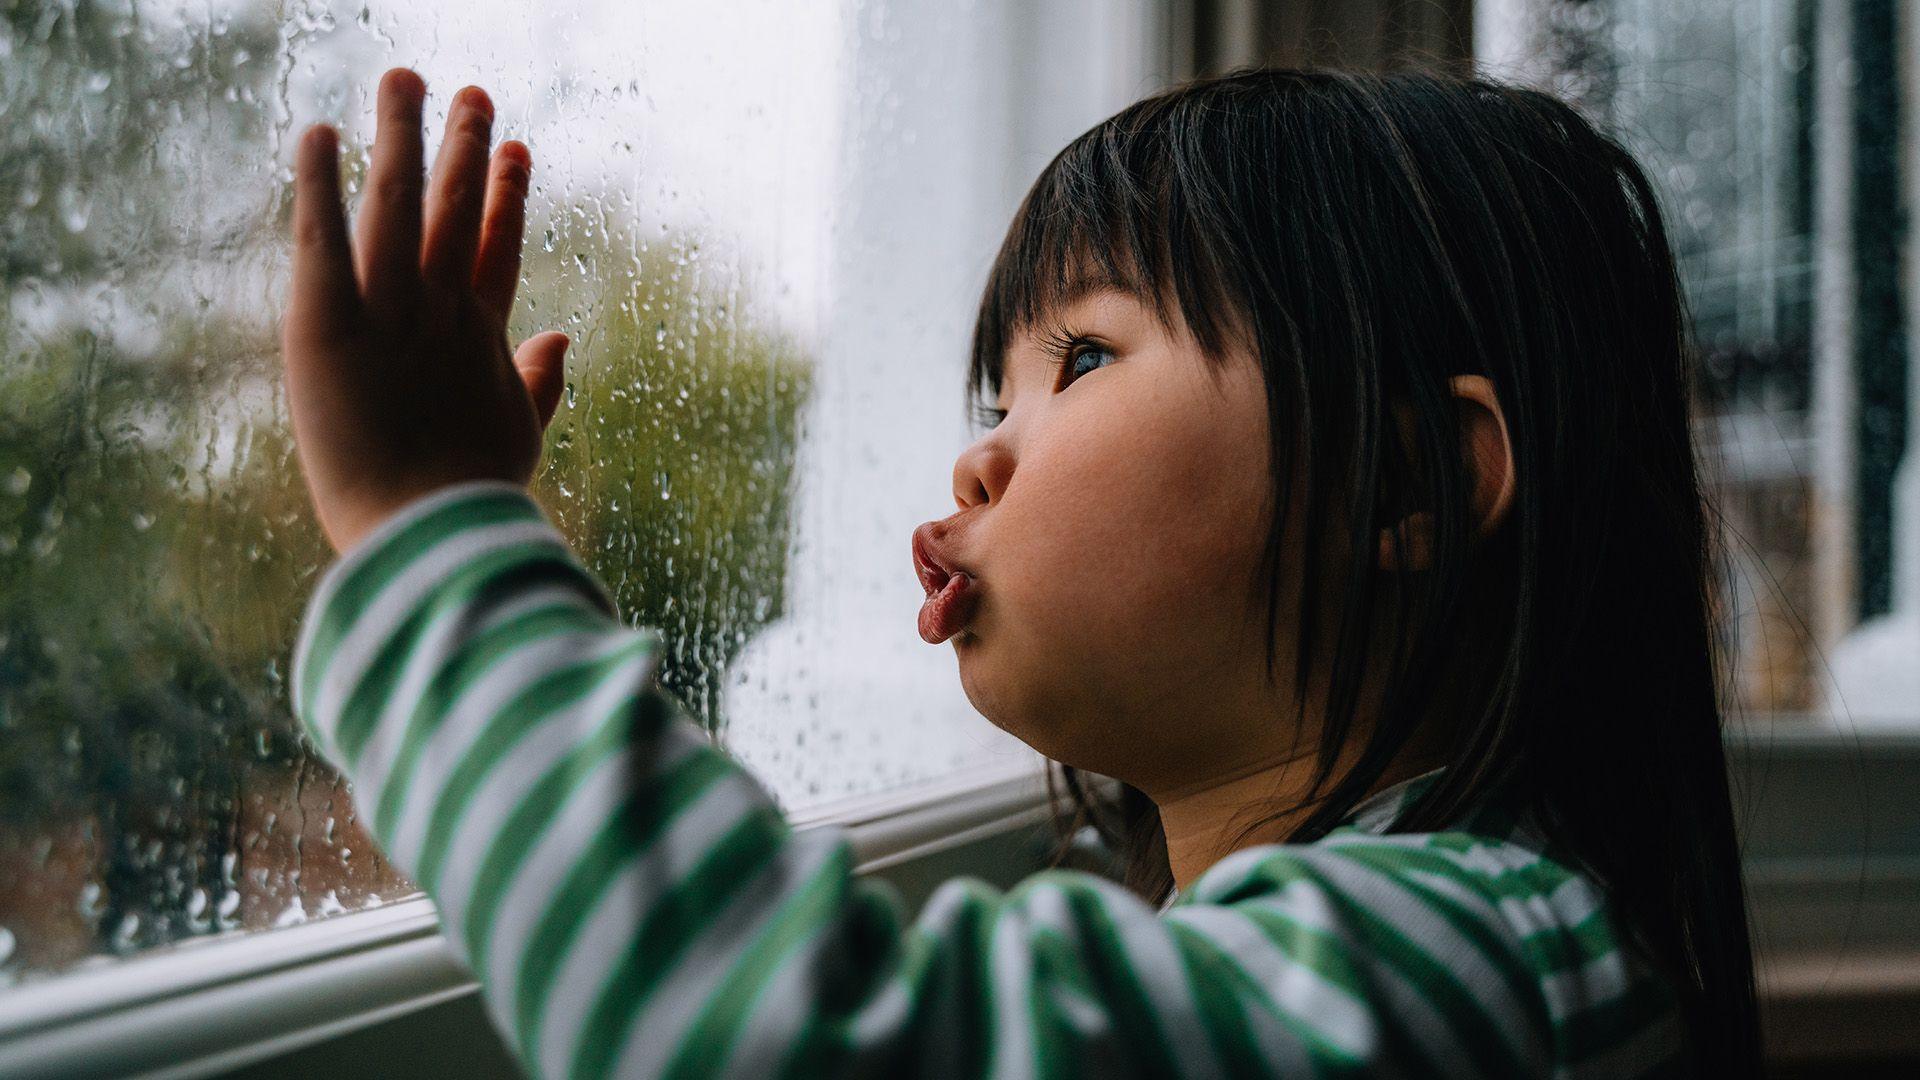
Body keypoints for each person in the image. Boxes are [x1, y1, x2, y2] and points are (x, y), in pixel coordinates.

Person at [279, 64, 1759, 1078]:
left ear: (1398, 480)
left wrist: (431, 530)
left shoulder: (1468, 963)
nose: (979, 460)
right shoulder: (1442, 940)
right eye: (997, 399)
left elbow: (781, 1040)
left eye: (1086, 358)